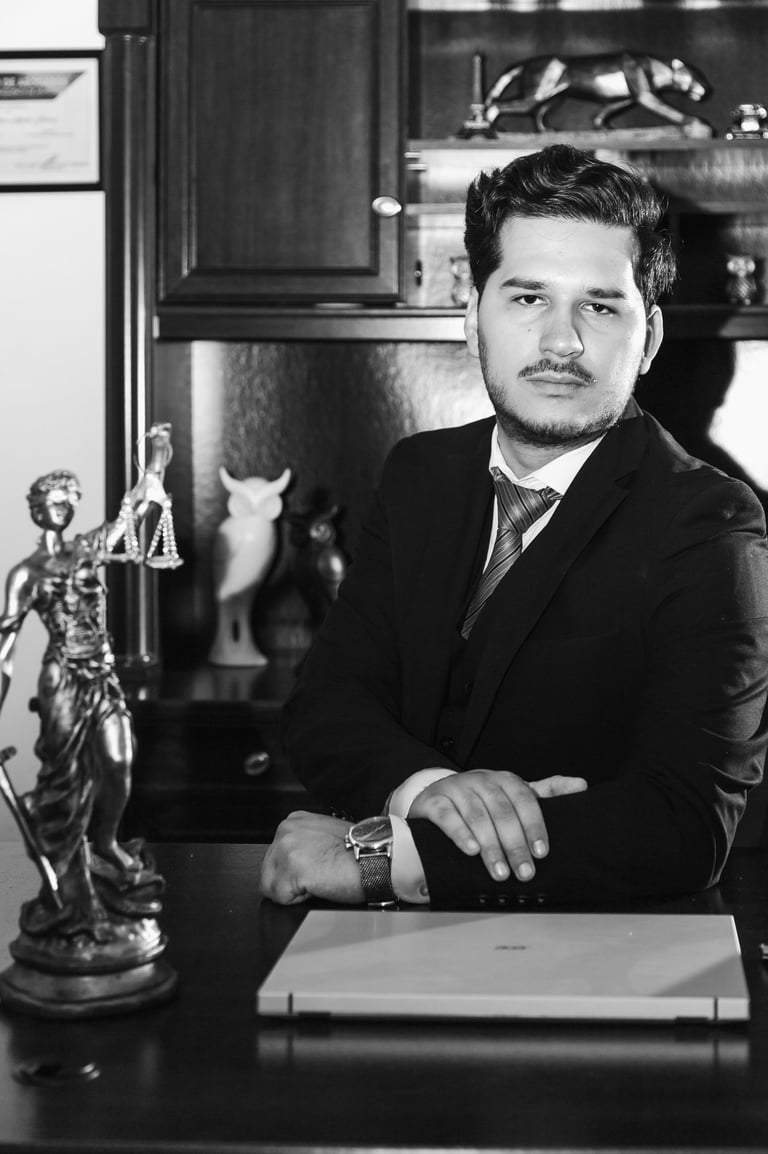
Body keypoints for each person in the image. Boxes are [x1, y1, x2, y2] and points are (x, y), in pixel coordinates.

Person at [260, 144, 768, 910]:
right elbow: (328, 701)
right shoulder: (418, 475)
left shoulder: (711, 525)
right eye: (529, 298)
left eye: (601, 306)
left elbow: (685, 826)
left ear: (651, 339)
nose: (562, 341)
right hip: (393, 949)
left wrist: (385, 859)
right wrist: (429, 789)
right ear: (473, 320)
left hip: (604, 948)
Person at [0, 430, 172, 937]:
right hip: (62, 683)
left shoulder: (88, 550)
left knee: (118, 761)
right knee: (66, 779)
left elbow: (131, 517)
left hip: (102, 674)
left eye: (67, 500)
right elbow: (5, 648)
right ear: (36, 509)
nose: (61, 507)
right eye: (52, 501)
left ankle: (108, 842)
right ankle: (71, 878)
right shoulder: (25, 574)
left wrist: (153, 470)